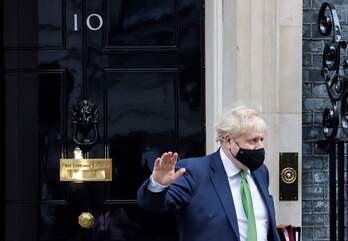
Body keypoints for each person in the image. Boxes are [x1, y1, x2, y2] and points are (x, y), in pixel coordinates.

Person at [137, 106, 280, 241]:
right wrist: (158, 185)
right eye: (253, 140)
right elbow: (155, 205)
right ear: (229, 140)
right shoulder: (193, 172)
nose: (260, 146)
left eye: (261, 139)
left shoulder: (260, 172)